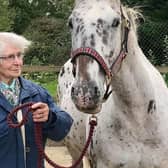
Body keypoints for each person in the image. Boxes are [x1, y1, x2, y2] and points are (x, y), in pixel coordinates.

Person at [0, 32, 73, 168]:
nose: (18, 62)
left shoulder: (36, 93)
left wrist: (50, 117)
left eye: (19, 55)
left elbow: (62, 130)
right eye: (10, 57)